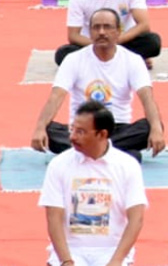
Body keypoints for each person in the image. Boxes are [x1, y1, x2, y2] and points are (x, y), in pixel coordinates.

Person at [32, 8, 166, 159]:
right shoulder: (73, 59)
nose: (101, 32)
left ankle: (88, 150)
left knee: (151, 126)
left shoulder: (133, 60)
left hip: (117, 128)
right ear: (89, 32)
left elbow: (147, 98)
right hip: (81, 129)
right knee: (49, 130)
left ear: (118, 32)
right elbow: (56, 97)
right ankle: (115, 153)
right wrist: (40, 128)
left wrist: (156, 129)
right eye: (96, 27)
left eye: (107, 27)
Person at [39, 100, 147, 266]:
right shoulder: (58, 164)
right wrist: (66, 261)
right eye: (72, 129)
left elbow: (136, 219)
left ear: (102, 134)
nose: (72, 137)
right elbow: (53, 217)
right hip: (70, 249)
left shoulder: (127, 165)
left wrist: (116, 261)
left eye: (81, 132)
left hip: (112, 250)